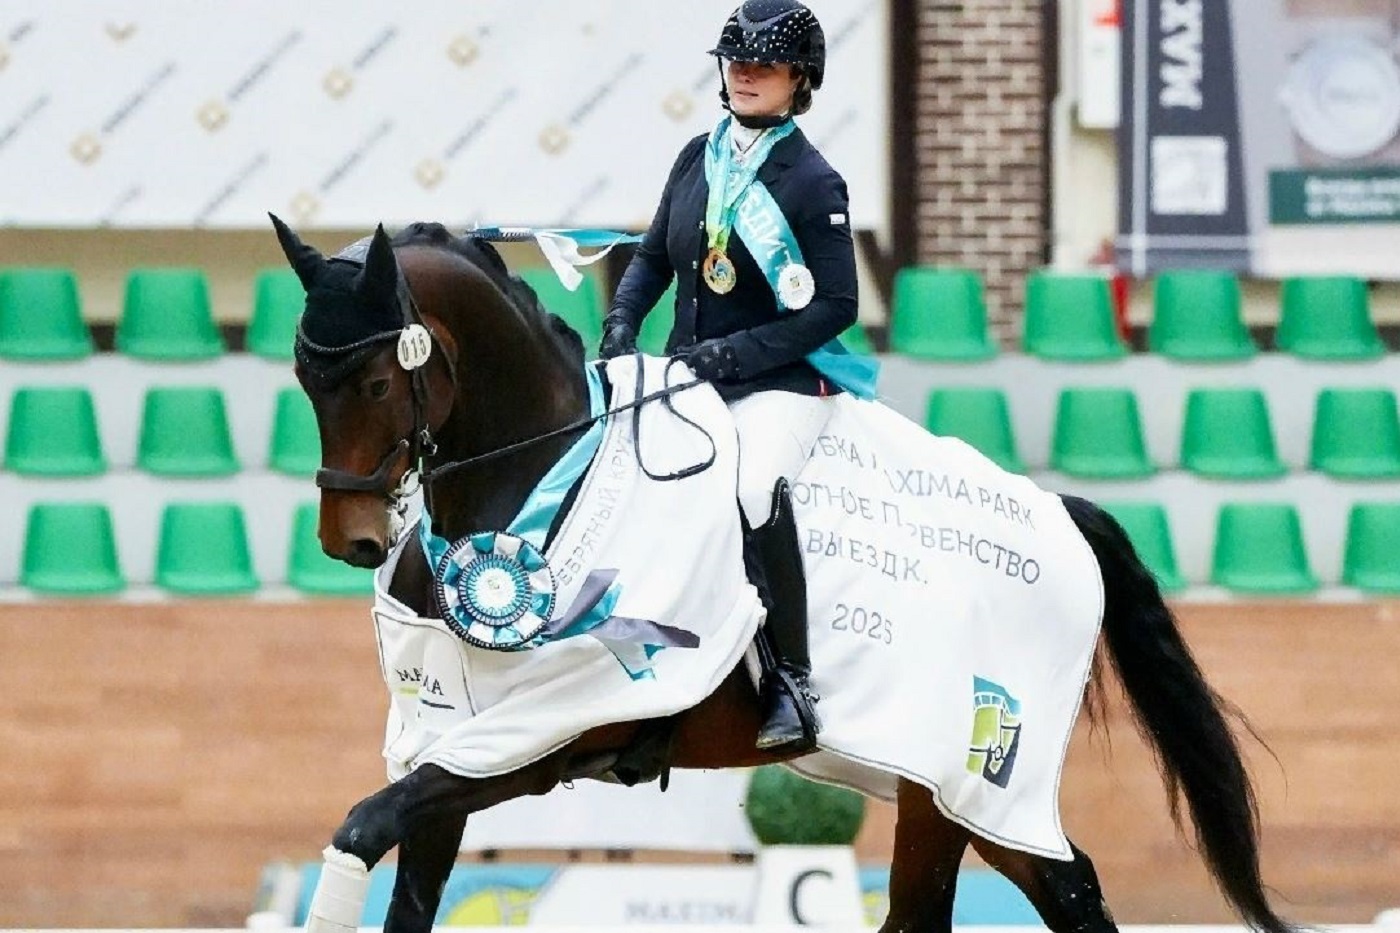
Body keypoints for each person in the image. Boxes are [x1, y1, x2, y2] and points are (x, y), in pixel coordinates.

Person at [600, 0, 877, 755]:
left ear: (800, 79)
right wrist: (621, 323)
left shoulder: (813, 181)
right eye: (737, 61)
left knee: (752, 488)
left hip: (780, 383)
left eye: (766, 64)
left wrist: (733, 357)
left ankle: (791, 680)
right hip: (690, 374)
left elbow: (837, 305)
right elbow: (652, 257)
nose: (746, 74)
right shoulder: (698, 157)